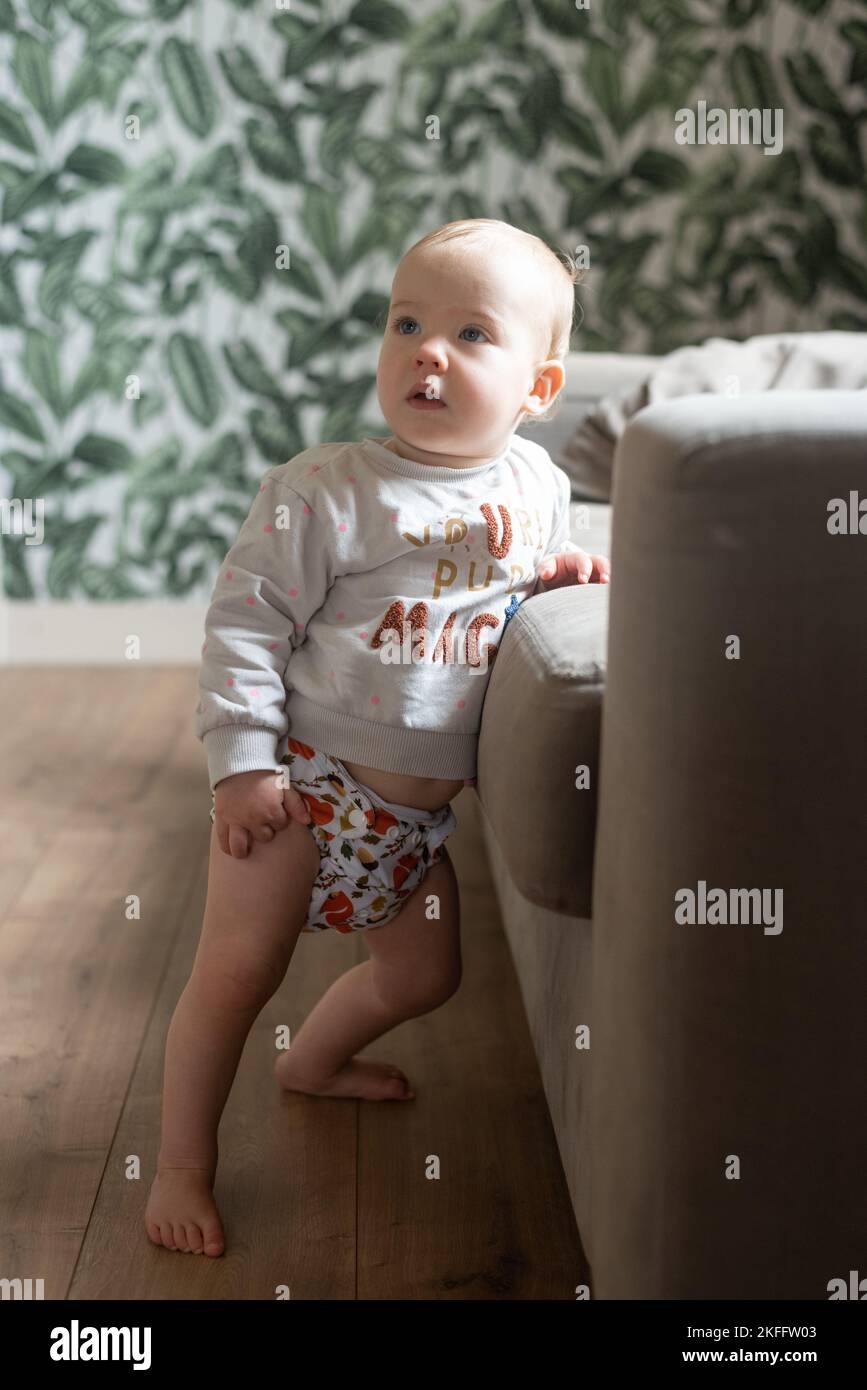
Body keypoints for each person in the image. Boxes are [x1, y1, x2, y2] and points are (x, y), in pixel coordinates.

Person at [144, 218, 610, 1257]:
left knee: (423, 974)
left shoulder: (536, 485)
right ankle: (180, 1163)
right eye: (406, 322)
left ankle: (311, 1061)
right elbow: (244, 624)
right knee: (235, 970)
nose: (426, 351)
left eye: (470, 334)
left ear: (539, 388)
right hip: (302, 789)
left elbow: (514, 582)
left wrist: (560, 575)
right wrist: (243, 767)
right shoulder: (330, 491)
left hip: (410, 825)